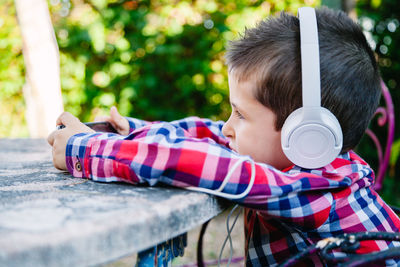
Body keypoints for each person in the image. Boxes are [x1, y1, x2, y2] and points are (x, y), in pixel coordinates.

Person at [47, 7, 400, 266]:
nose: (227, 125)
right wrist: (136, 131)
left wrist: (86, 150)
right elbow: (214, 135)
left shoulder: (318, 190)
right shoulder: (303, 161)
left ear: (308, 136)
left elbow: (203, 165)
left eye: (241, 114)